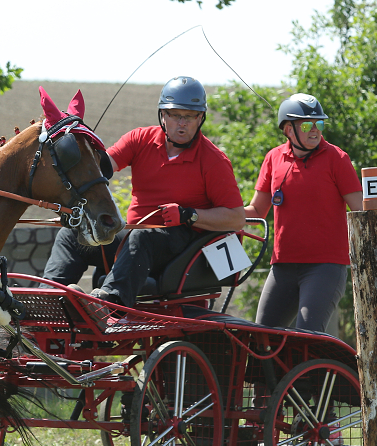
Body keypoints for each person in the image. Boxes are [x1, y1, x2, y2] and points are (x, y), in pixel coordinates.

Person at [42, 76, 246, 307]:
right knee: (73, 234)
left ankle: (109, 304)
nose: (182, 123)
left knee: (141, 237)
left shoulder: (213, 160)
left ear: (200, 118)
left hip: (181, 245)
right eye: (175, 114)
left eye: (190, 116)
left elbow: (236, 217)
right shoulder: (140, 139)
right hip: (134, 240)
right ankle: (49, 298)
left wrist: (189, 215)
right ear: (163, 115)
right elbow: (100, 169)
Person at [244, 93, 363, 332]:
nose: (315, 130)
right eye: (307, 124)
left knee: (308, 338)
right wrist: (220, 215)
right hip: (283, 267)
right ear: (288, 129)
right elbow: (257, 211)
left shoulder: (337, 159)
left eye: (319, 124)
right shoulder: (273, 158)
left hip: (325, 267)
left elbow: (362, 211)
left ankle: (321, 370)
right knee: (260, 338)